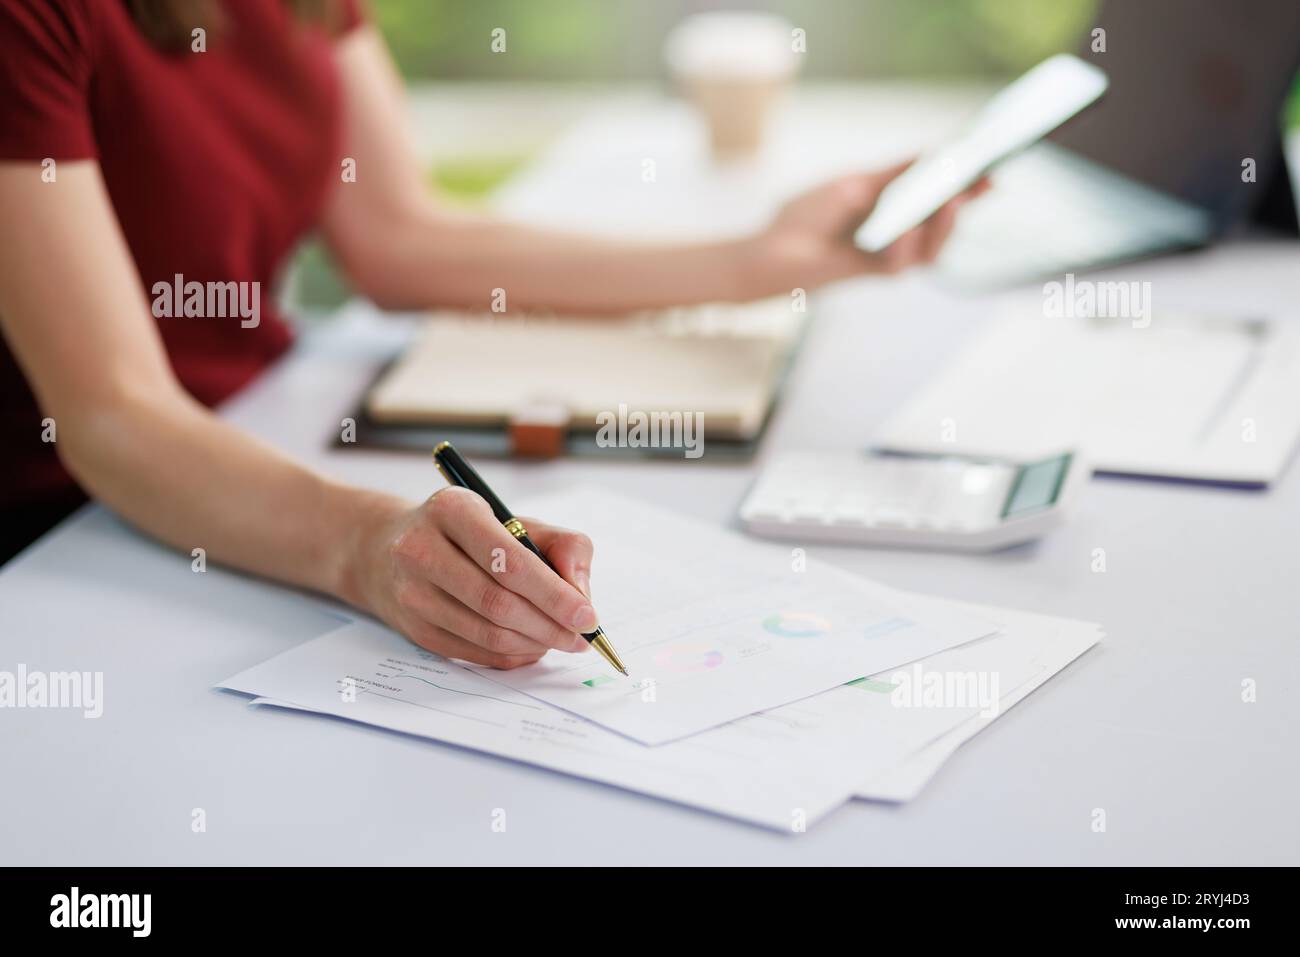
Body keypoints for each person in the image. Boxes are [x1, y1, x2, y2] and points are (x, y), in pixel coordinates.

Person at [0, 0, 984, 668]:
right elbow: (110, 412)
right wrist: (366, 547)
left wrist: (759, 259)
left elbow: (398, 236)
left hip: (259, 443)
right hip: (65, 540)